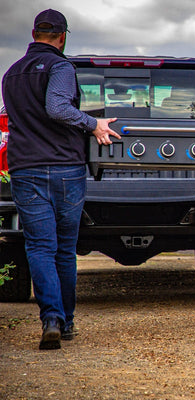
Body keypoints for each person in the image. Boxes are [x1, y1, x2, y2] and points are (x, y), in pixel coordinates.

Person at [1, 9, 121, 350]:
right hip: (65, 169)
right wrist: (93, 124)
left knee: (39, 247)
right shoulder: (60, 67)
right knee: (64, 249)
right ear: (63, 37)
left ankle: (51, 319)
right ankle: (64, 322)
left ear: (34, 34)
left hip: (25, 169)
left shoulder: (11, 74)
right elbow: (57, 107)